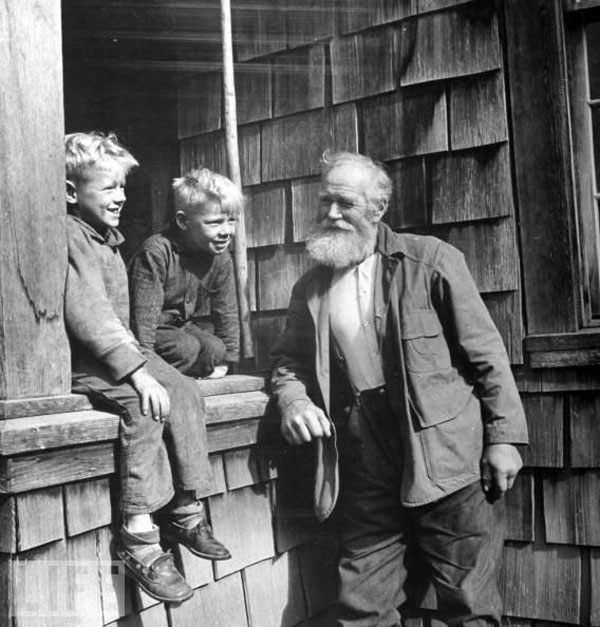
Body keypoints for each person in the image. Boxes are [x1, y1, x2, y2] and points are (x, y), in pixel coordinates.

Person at [270, 151, 529, 626]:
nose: (330, 214)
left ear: (377, 209)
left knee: (468, 600)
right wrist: (293, 400)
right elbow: (289, 362)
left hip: (446, 448)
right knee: (362, 598)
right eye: (324, 201)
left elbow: (486, 354)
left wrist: (506, 438)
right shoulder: (311, 287)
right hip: (363, 454)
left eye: (345, 203)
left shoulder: (430, 260)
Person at [64, 132, 231, 606]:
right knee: (145, 406)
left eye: (122, 187)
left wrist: (148, 370)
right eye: (108, 188)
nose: (120, 197)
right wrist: (138, 373)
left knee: (182, 389)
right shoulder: (71, 234)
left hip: (115, 360)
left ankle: (186, 506)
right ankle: (138, 534)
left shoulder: (103, 239)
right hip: (90, 365)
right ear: (73, 192)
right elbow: (90, 314)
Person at [128, 167, 241, 380]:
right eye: (214, 222)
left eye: (231, 220)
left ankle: (185, 376)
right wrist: (142, 366)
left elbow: (227, 311)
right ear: (182, 221)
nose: (226, 231)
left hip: (179, 327)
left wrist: (228, 361)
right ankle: (170, 382)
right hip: (143, 330)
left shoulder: (220, 257)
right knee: (186, 348)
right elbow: (142, 321)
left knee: (215, 350)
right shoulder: (156, 252)